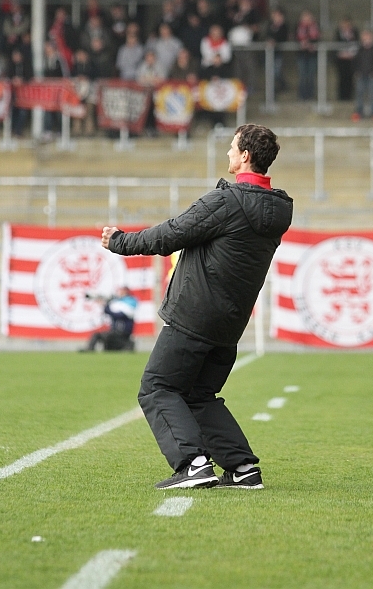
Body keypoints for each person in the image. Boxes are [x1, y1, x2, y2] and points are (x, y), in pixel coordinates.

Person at [101, 123, 293, 490]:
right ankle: (242, 468)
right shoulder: (278, 210)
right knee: (198, 395)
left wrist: (120, 242)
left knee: (156, 387)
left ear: (245, 156)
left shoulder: (226, 202)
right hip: (230, 324)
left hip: (194, 316)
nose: (228, 153)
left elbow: (170, 234)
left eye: (232, 147)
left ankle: (193, 464)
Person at [83, 287, 139, 351]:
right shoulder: (119, 303)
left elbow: (117, 315)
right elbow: (110, 313)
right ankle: (89, 349)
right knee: (103, 340)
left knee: (101, 336)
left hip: (123, 335)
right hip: (115, 333)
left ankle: (128, 345)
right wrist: (105, 304)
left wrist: (106, 306)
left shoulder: (129, 303)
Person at [352, 30, 373, 121]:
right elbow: (355, 61)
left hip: (371, 75)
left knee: (372, 94)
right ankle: (359, 112)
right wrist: (356, 71)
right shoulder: (359, 49)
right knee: (359, 93)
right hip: (361, 75)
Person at [296, 10, 320, 101]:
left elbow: (317, 38)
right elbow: (296, 38)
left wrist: (310, 44)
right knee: (302, 75)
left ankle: (310, 94)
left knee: (311, 75)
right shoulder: (298, 27)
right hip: (302, 55)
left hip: (312, 55)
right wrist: (302, 43)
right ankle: (302, 95)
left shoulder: (315, 27)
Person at [334, 17, 359, 102]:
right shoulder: (338, 33)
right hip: (341, 60)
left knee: (350, 78)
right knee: (342, 78)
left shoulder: (354, 33)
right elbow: (336, 45)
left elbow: (356, 44)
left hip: (351, 60)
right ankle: (342, 97)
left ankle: (349, 96)